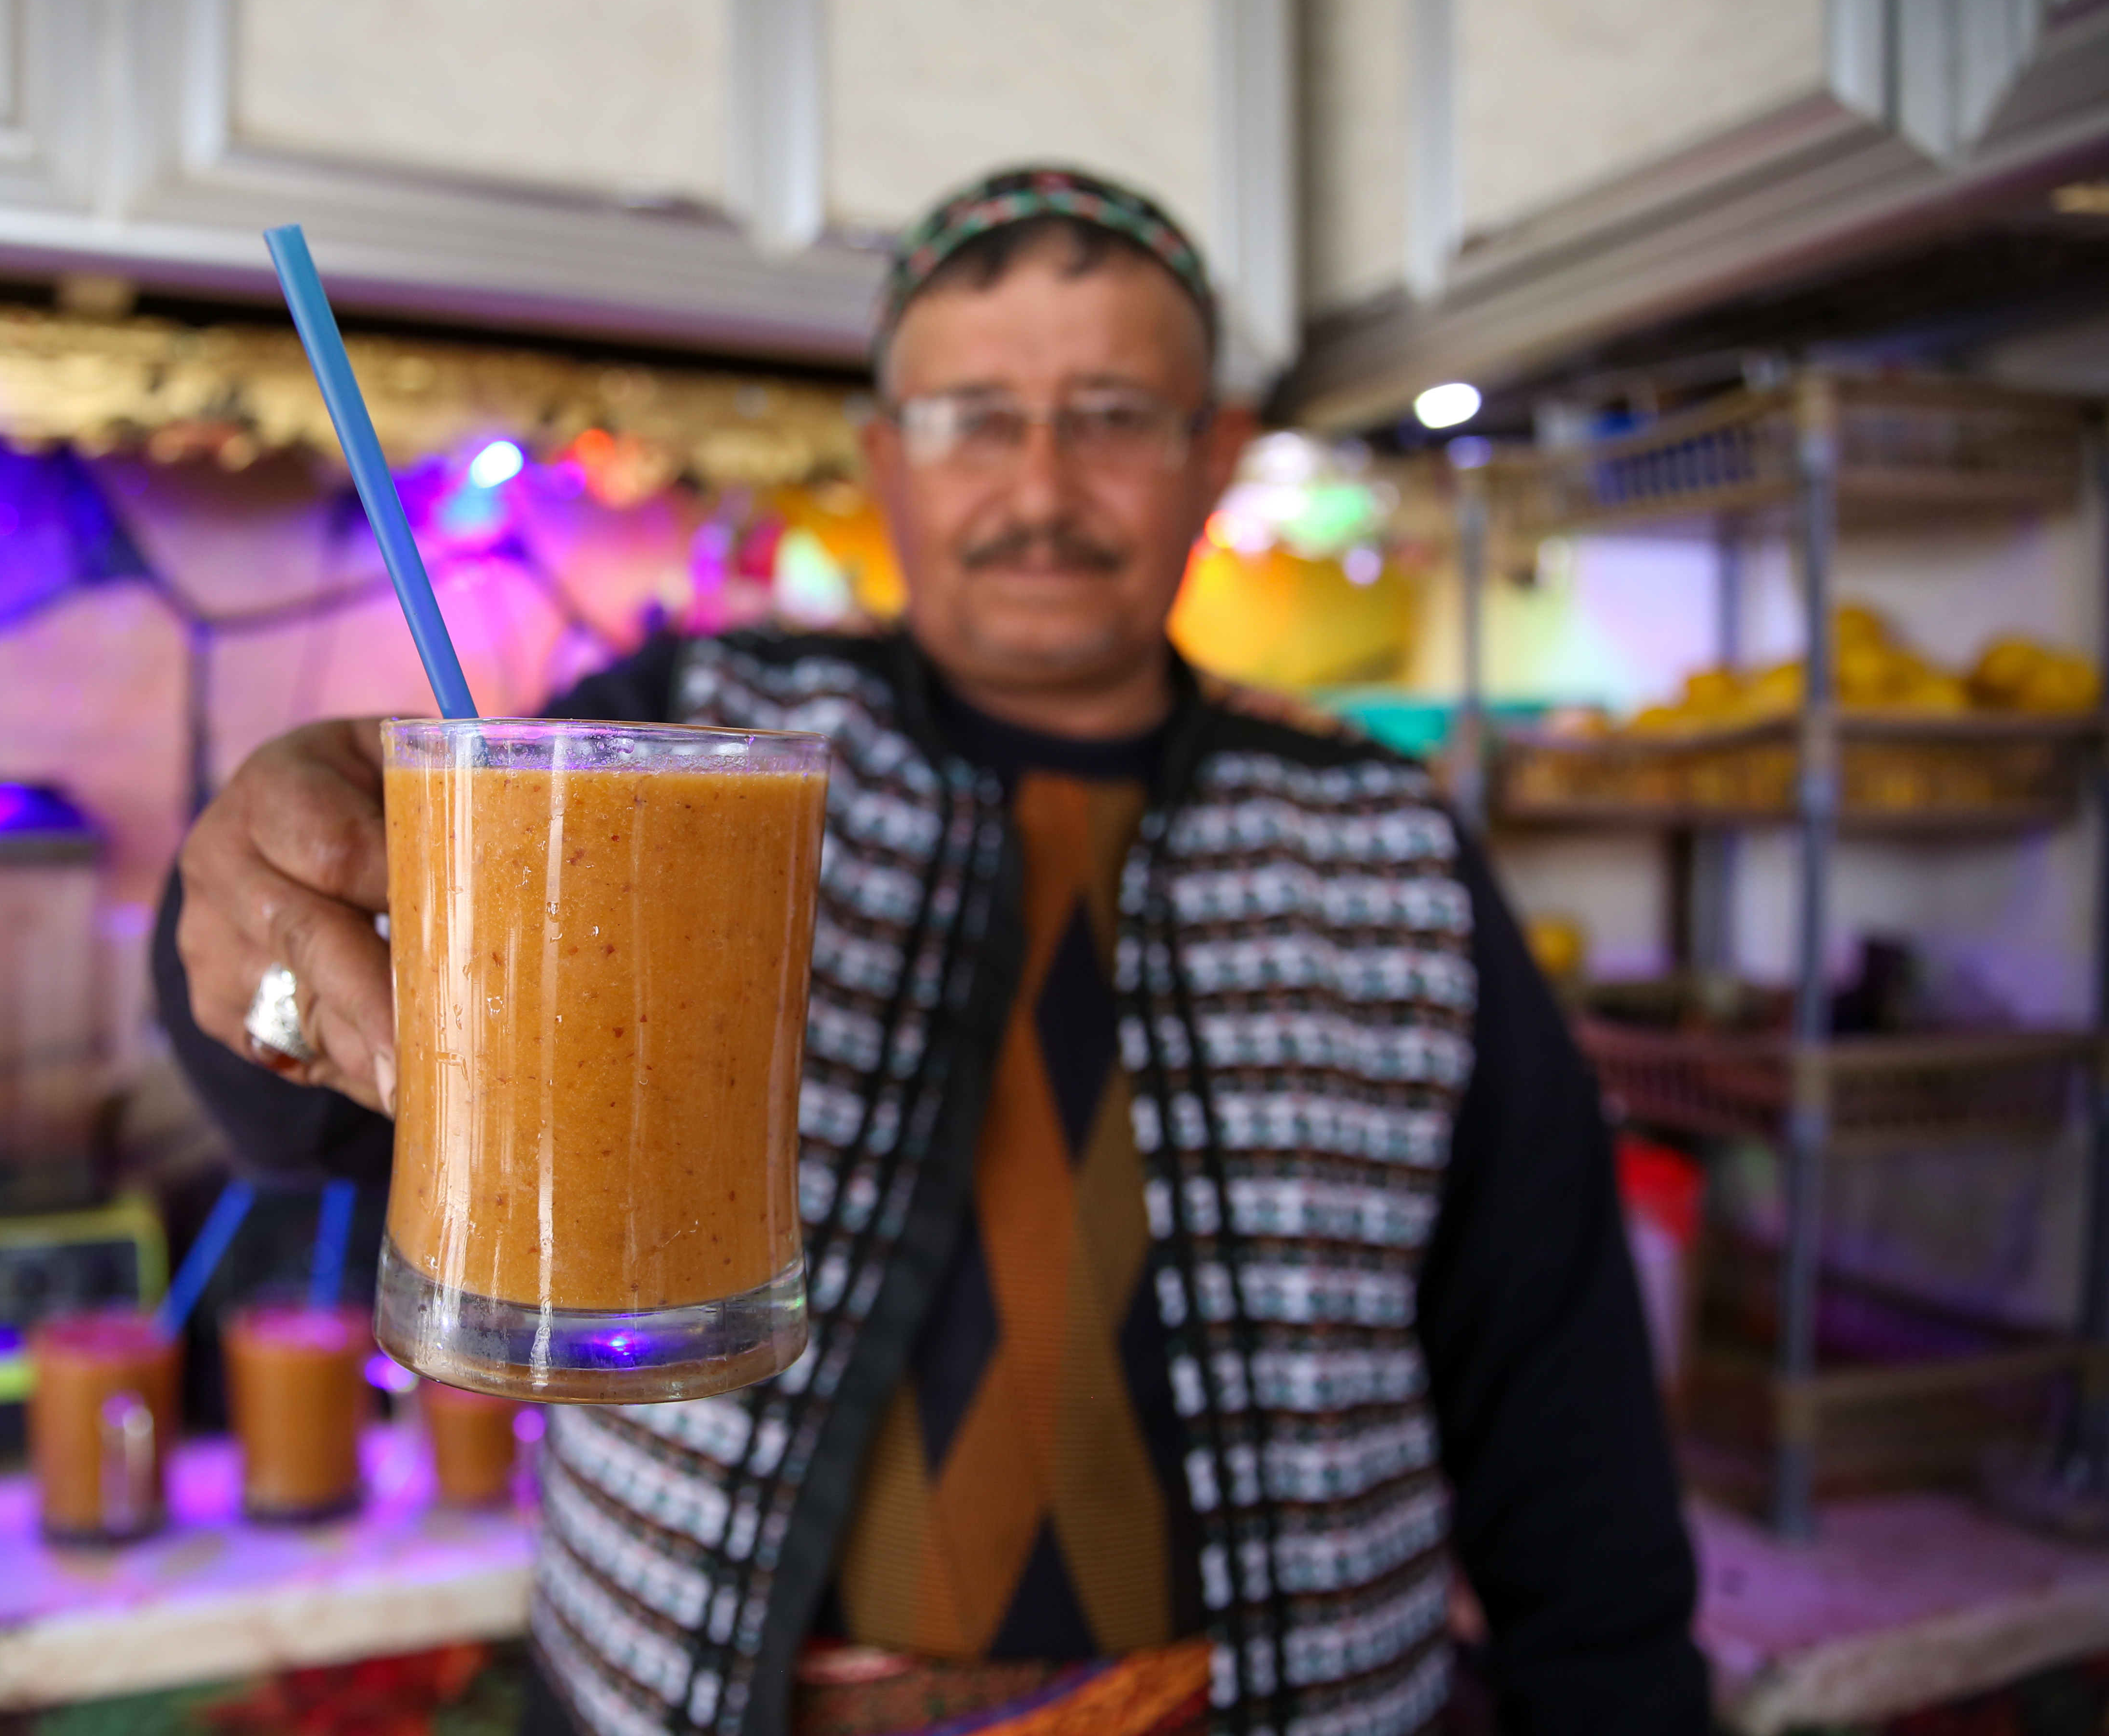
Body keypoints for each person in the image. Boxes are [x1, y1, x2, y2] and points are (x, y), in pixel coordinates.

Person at [156, 166, 1707, 1736]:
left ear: (1214, 456)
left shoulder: (1386, 840)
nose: (1040, 484)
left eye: (1111, 416)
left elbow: (1557, 1381)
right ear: (886, 460)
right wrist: (250, 933)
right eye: (974, 418)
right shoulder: (681, 734)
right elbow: (314, 1113)